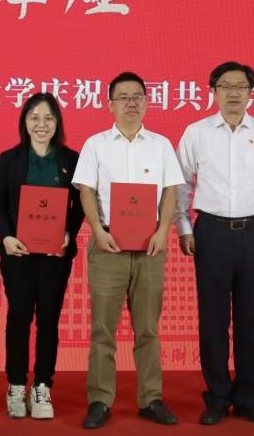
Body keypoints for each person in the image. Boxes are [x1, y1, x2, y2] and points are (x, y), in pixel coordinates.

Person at [175, 61, 254, 425]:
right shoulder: (196, 132)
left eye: (241, 86)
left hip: (252, 231)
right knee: (212, 319)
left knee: (249, 319)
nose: (234, 93)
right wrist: (184, 227)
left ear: (251, 92)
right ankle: (217, 396)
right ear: (214, 92)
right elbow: (181, 184)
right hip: (210, 231)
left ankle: (247, 397)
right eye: (226, 86)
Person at [72, 72, 185, 429]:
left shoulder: (161, 145)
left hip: (150, 246)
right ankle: (100, 400)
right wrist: (97, 230)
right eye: (123, 97)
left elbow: (171, 190)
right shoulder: (96, 145)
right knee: (103, 330)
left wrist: (163, 231)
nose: (131, 103)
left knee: (148, 328)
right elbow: (86, 190)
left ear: (147, 102)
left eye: (138, 96)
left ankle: (151, 398)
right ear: (110, 104)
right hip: (109, 245)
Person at [0, 93, 84, 419]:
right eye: (34, 117)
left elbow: (79, 206)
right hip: (18, 254)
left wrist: (69, 233)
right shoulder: (10, 159)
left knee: (48, 320)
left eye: (48, 118)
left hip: (55, 256)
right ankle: (17, 384)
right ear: (24, 122)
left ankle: (43, 385)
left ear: (57, 122)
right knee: (18, 317)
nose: (41, 124)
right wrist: (6, 237)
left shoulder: (71, 159)